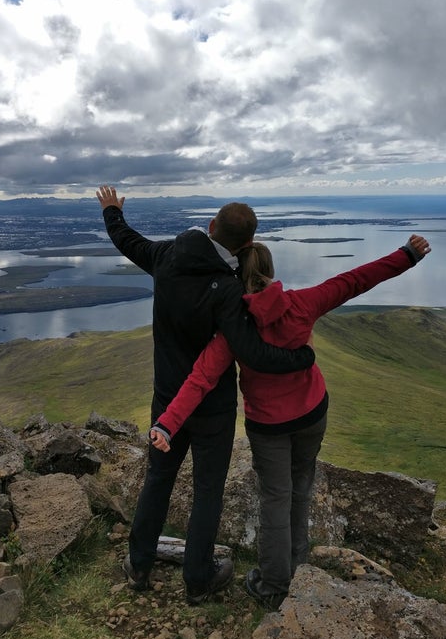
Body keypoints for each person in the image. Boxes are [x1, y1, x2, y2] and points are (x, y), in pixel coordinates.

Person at [149, 234, 431, 608]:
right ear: (270, 271)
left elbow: (200, 378)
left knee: (275, 501)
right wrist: (407, 255)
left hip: (269, 427)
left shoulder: (233, 330)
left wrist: (167, 424)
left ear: (237, 276)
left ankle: (273, 586)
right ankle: (298, 569)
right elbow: (356, 280)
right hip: (313, 413)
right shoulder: (301, 303)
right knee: (300, 490)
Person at [96, 185, 316, 605]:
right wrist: (301, 359)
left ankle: (139, 565)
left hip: (167, 402)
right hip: (213, 407)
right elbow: (250, 352)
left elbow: (127, 241)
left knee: (158, 479)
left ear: (211, 225)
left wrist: (111, 212)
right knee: (208, 490)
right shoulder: (230, 288)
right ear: (249, 244)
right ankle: (198, 580)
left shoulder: (166, 257)